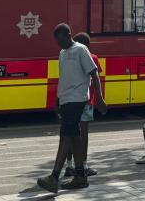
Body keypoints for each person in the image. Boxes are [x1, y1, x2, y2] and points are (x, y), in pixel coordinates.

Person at [37, 23, 106, 193]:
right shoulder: (62, 53)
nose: (60, 44)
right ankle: (80, 175)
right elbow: (63, 78)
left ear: (69, 35)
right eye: (58, 42)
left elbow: (94, 73)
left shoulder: (81, 50)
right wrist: (57, 100)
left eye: (62, 40)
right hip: (66, 100)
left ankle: (54, 176)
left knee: (65, 136)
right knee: (74, 137)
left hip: (78, 99)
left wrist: (100, 99)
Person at [64, 32, 99, 178]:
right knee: (83, 134)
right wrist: (101, 100)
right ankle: (83, 165)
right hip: (85, 100)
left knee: (70, 133)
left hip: (70, 100)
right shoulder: (93, 58)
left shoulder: (66, 55)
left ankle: (69, 165)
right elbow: (95, 77)